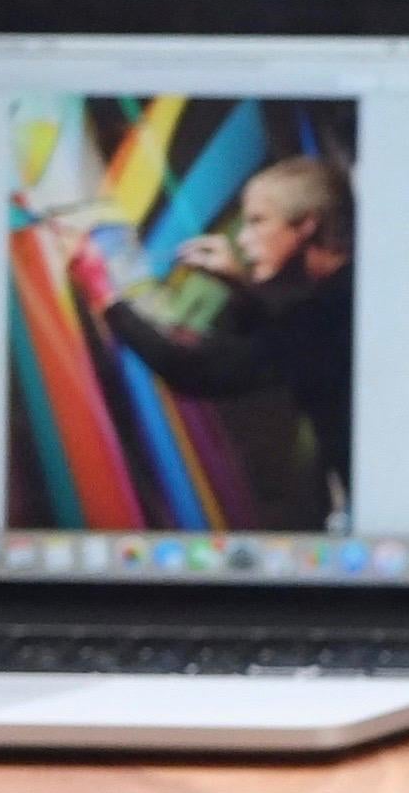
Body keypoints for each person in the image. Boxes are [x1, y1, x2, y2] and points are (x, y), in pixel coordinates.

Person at [79, 153, 356, 529]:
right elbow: (285, 333)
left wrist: (106, 300)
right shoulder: (343, 294)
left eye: (258, 221)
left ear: (306, 225)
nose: (242, 238)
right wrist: (239, 281)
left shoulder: (325, 315)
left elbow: (192, 369)